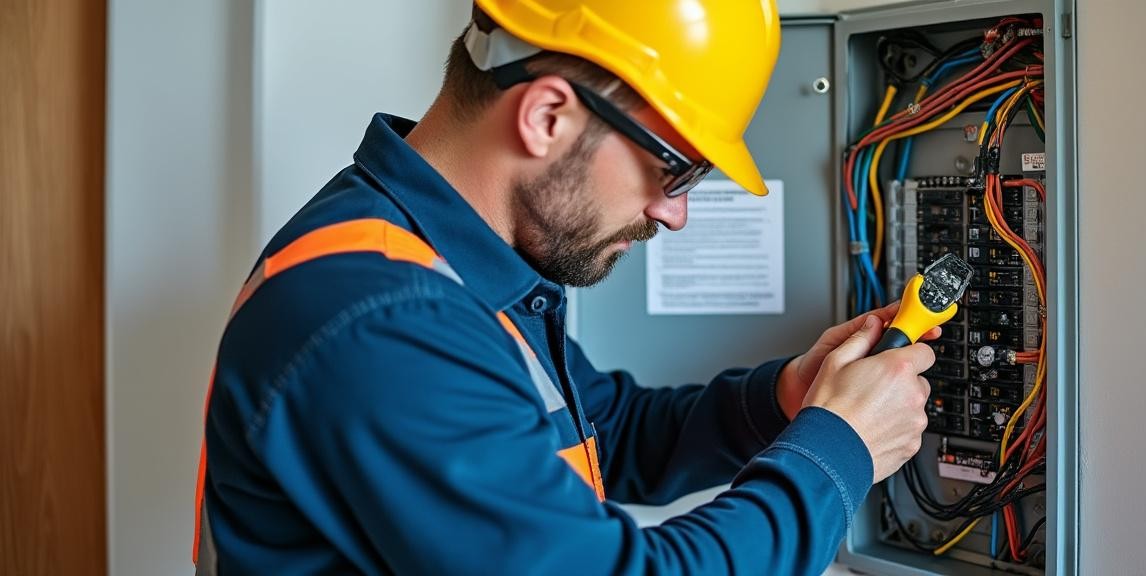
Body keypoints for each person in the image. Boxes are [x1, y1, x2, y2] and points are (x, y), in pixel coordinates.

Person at [193, 1, 936, 573]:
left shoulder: (440, 264)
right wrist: (840, 449)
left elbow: (602, 433)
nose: (673, 213)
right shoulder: (380, 317)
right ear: (547, 115)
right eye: (675, 169)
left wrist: (784, 402)